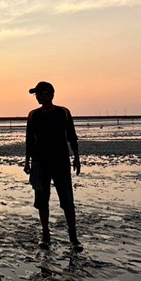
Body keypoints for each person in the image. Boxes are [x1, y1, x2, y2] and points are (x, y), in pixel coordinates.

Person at [24, 81, 82, 251]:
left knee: (68, 202)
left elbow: (72, 136)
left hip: (61, 163)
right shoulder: (33, 115)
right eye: (36, 94)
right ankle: (45, 235)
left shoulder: (63, 113)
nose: (37, 97)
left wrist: (76, 158)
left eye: (39, 94)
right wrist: (27, 162)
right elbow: (29, 140)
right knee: (42, 201)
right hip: (40, 163)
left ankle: (73, 238)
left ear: (49, 94)